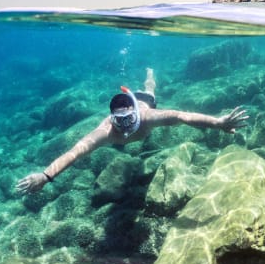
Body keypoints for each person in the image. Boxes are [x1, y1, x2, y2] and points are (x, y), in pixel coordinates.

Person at [16, 68, 248, 194]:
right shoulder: (105, 132)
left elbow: (182, 116)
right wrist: (46, 176)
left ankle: (149, 74)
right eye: (120, 120)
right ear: (112, 118)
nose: (125, 126)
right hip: (131, 102)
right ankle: (138, 86)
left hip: (143, 100)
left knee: (150, 89)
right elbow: (75, 152)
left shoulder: (147, 117)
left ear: (135, 114)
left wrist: (218, 122)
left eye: (129, 119)